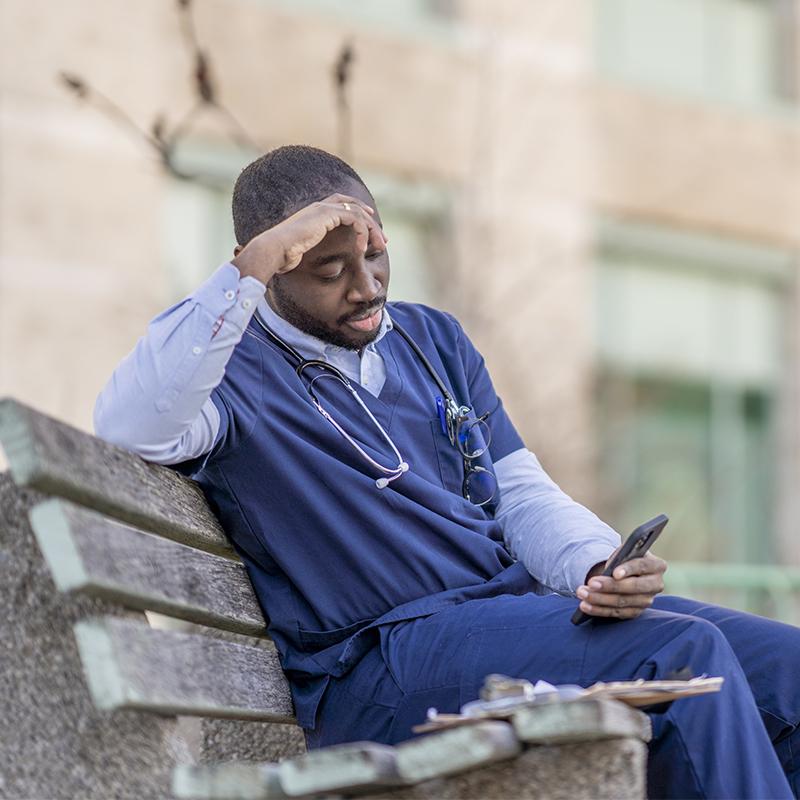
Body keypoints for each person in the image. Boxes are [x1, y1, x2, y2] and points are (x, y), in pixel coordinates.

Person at [95, 145, 799, 799]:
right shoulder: (228, 373)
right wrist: (244, 273)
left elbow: (520, 492)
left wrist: (594, 565)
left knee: (789, 669)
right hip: (380, 662)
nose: (366, 288)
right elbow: (126, 427)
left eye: (374, 256)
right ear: (270, 265)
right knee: (681, 655)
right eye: (329, 270)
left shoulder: (433, 339)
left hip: (512, 619)